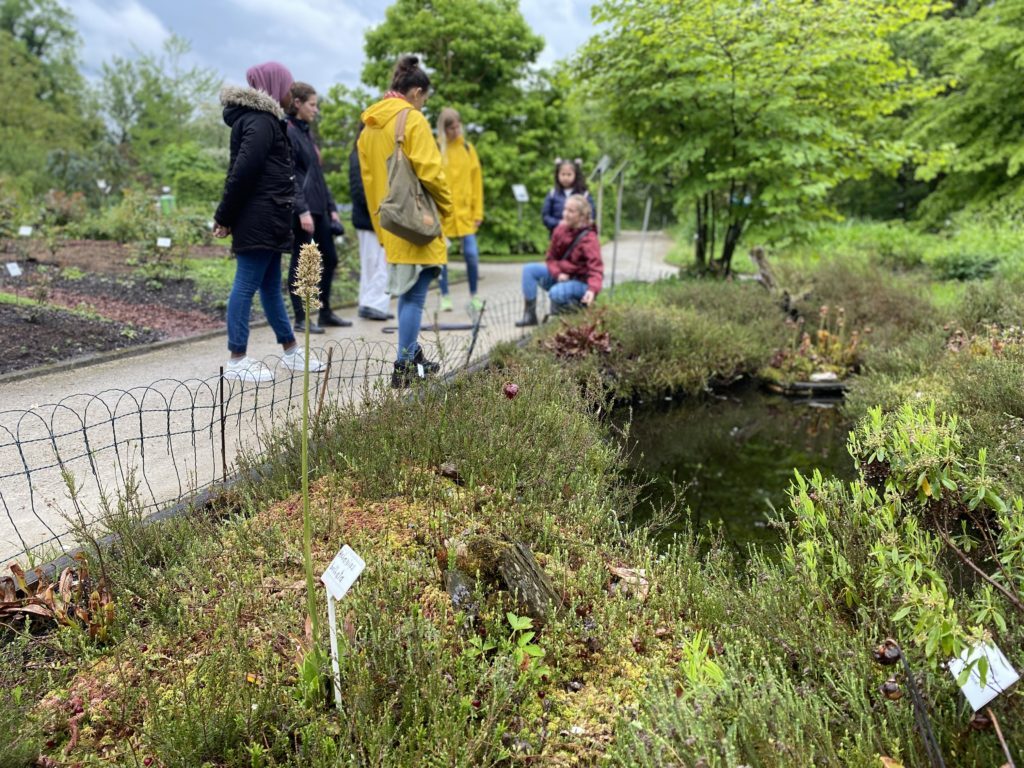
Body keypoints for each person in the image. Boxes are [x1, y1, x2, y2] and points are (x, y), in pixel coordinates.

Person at [213, 61, 325, 383]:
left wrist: (227, 214)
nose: (291, 94)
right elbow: (242, 172)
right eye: (289, 87)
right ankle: (237, 359)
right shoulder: (261, 122)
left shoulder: (266, 121)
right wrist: (225, 215)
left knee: (271, 288)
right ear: (276, 86)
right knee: (246, 284)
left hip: (269, 217)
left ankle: (290, 350)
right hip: (259, 217)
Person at [357, 56, 453, 387]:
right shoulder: (411, 120)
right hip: (417, 219)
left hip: (391, 221)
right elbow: (432, 172)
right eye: (424, 98)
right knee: (414, 295)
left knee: (408, 291)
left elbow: (370, 183)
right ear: (415, 92)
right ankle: (403, 367)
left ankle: (412, 355)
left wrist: (381, 227)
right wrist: (448, 210)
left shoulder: (369, 127)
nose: (424, 105)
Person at [286, 82, 351, 333]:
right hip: (303, 211)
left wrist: (332, 207)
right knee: (301, 262)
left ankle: (324, 312)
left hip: (320, 208)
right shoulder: (289, 132)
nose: (316, 110)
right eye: (312, 105)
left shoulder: (306, 133)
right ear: (298, 103)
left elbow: (318, 175)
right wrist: (301, 209)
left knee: (330, 259)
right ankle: (301, 318)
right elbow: (289, 174)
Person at [516, 193, 603, 327]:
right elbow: (550, 258)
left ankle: (573, 314)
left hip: (581, 282)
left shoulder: (589, 238)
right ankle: (530, 315)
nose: (565, 214)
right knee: (529, 270)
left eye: (571, 211)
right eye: (565, 209)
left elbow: (596, 269)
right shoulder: (560, 230)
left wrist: (592, 290)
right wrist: (558, 274)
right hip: (562, 276)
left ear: (582, 215)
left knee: (556, 292)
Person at [435, 107, 483, 315]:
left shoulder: (467, 148)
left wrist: (478, 213)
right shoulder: (436, 148)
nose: (456, 131)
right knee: (440, 257)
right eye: (451, 128)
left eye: (457, 126)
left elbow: (476, 182)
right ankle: (445, 296)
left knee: (471, 254)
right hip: (442, 214)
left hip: (466, 214)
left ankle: (474, 296)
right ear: (443, 129)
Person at [350, 123, 393, 321]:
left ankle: (371, 303)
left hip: (373, 217)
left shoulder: (365, 151)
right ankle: (372, 303)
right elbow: (360, 190)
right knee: (378, 263)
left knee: (375, 264)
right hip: (370, 219)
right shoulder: (361, 152)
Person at [541, 158, 596, 237]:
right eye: (563, 174)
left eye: (569, 174)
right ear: (558, 175)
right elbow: (545, 216)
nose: (565, 178)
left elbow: (591, 215)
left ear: (575, 175)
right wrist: (558, 223)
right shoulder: (552, 194)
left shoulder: (584, 195)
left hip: (578, 237)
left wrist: (577, 225)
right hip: (557, 237)